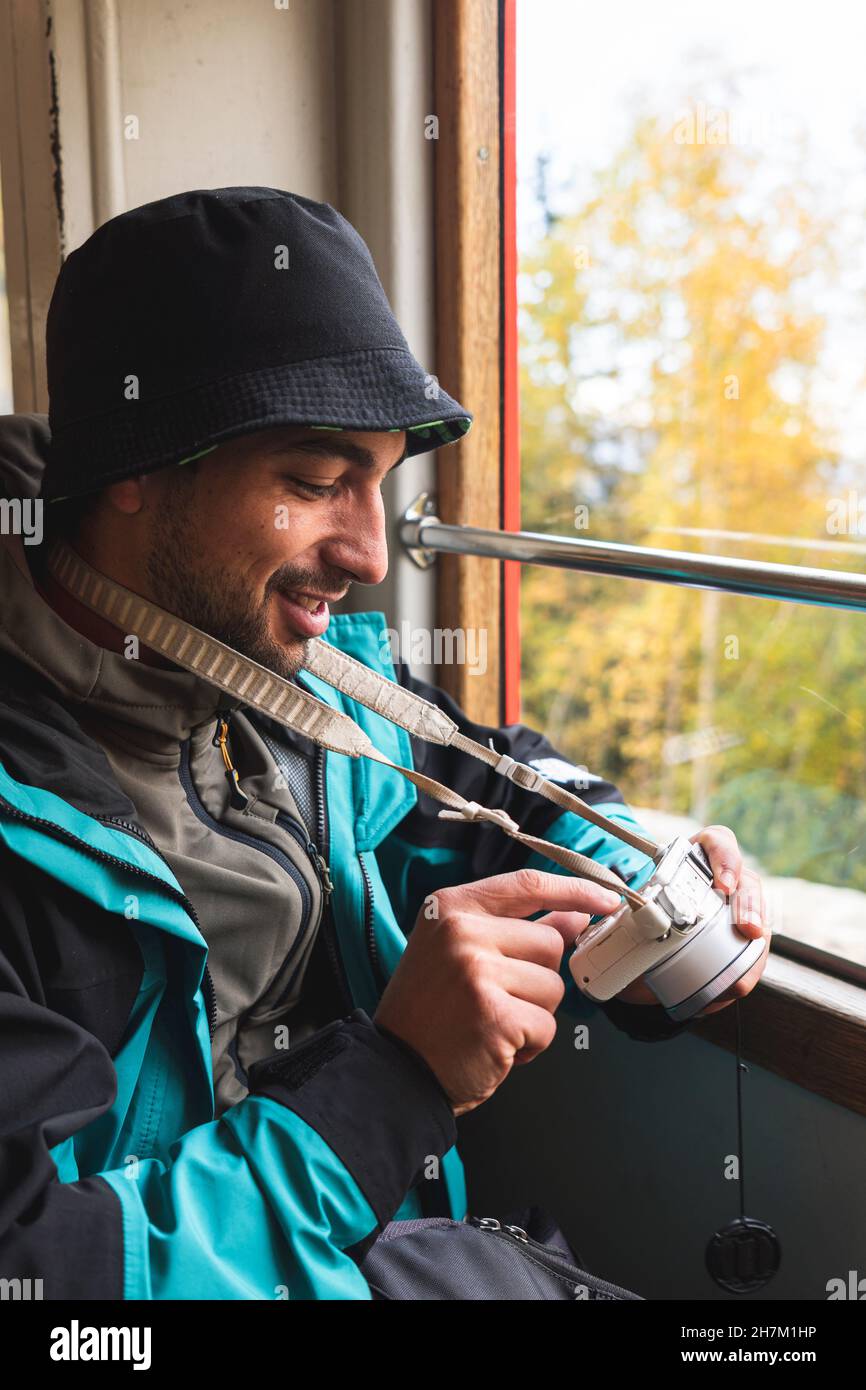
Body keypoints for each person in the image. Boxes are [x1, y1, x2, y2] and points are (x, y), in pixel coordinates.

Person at [0, 187, 769, 1300]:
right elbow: (44, 1278)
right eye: (315, 483)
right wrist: (397, 1078)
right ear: (132, 465)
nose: (368, 550)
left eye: (380, 481)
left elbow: (480, 778)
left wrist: (642, 896)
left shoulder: (290, 678)